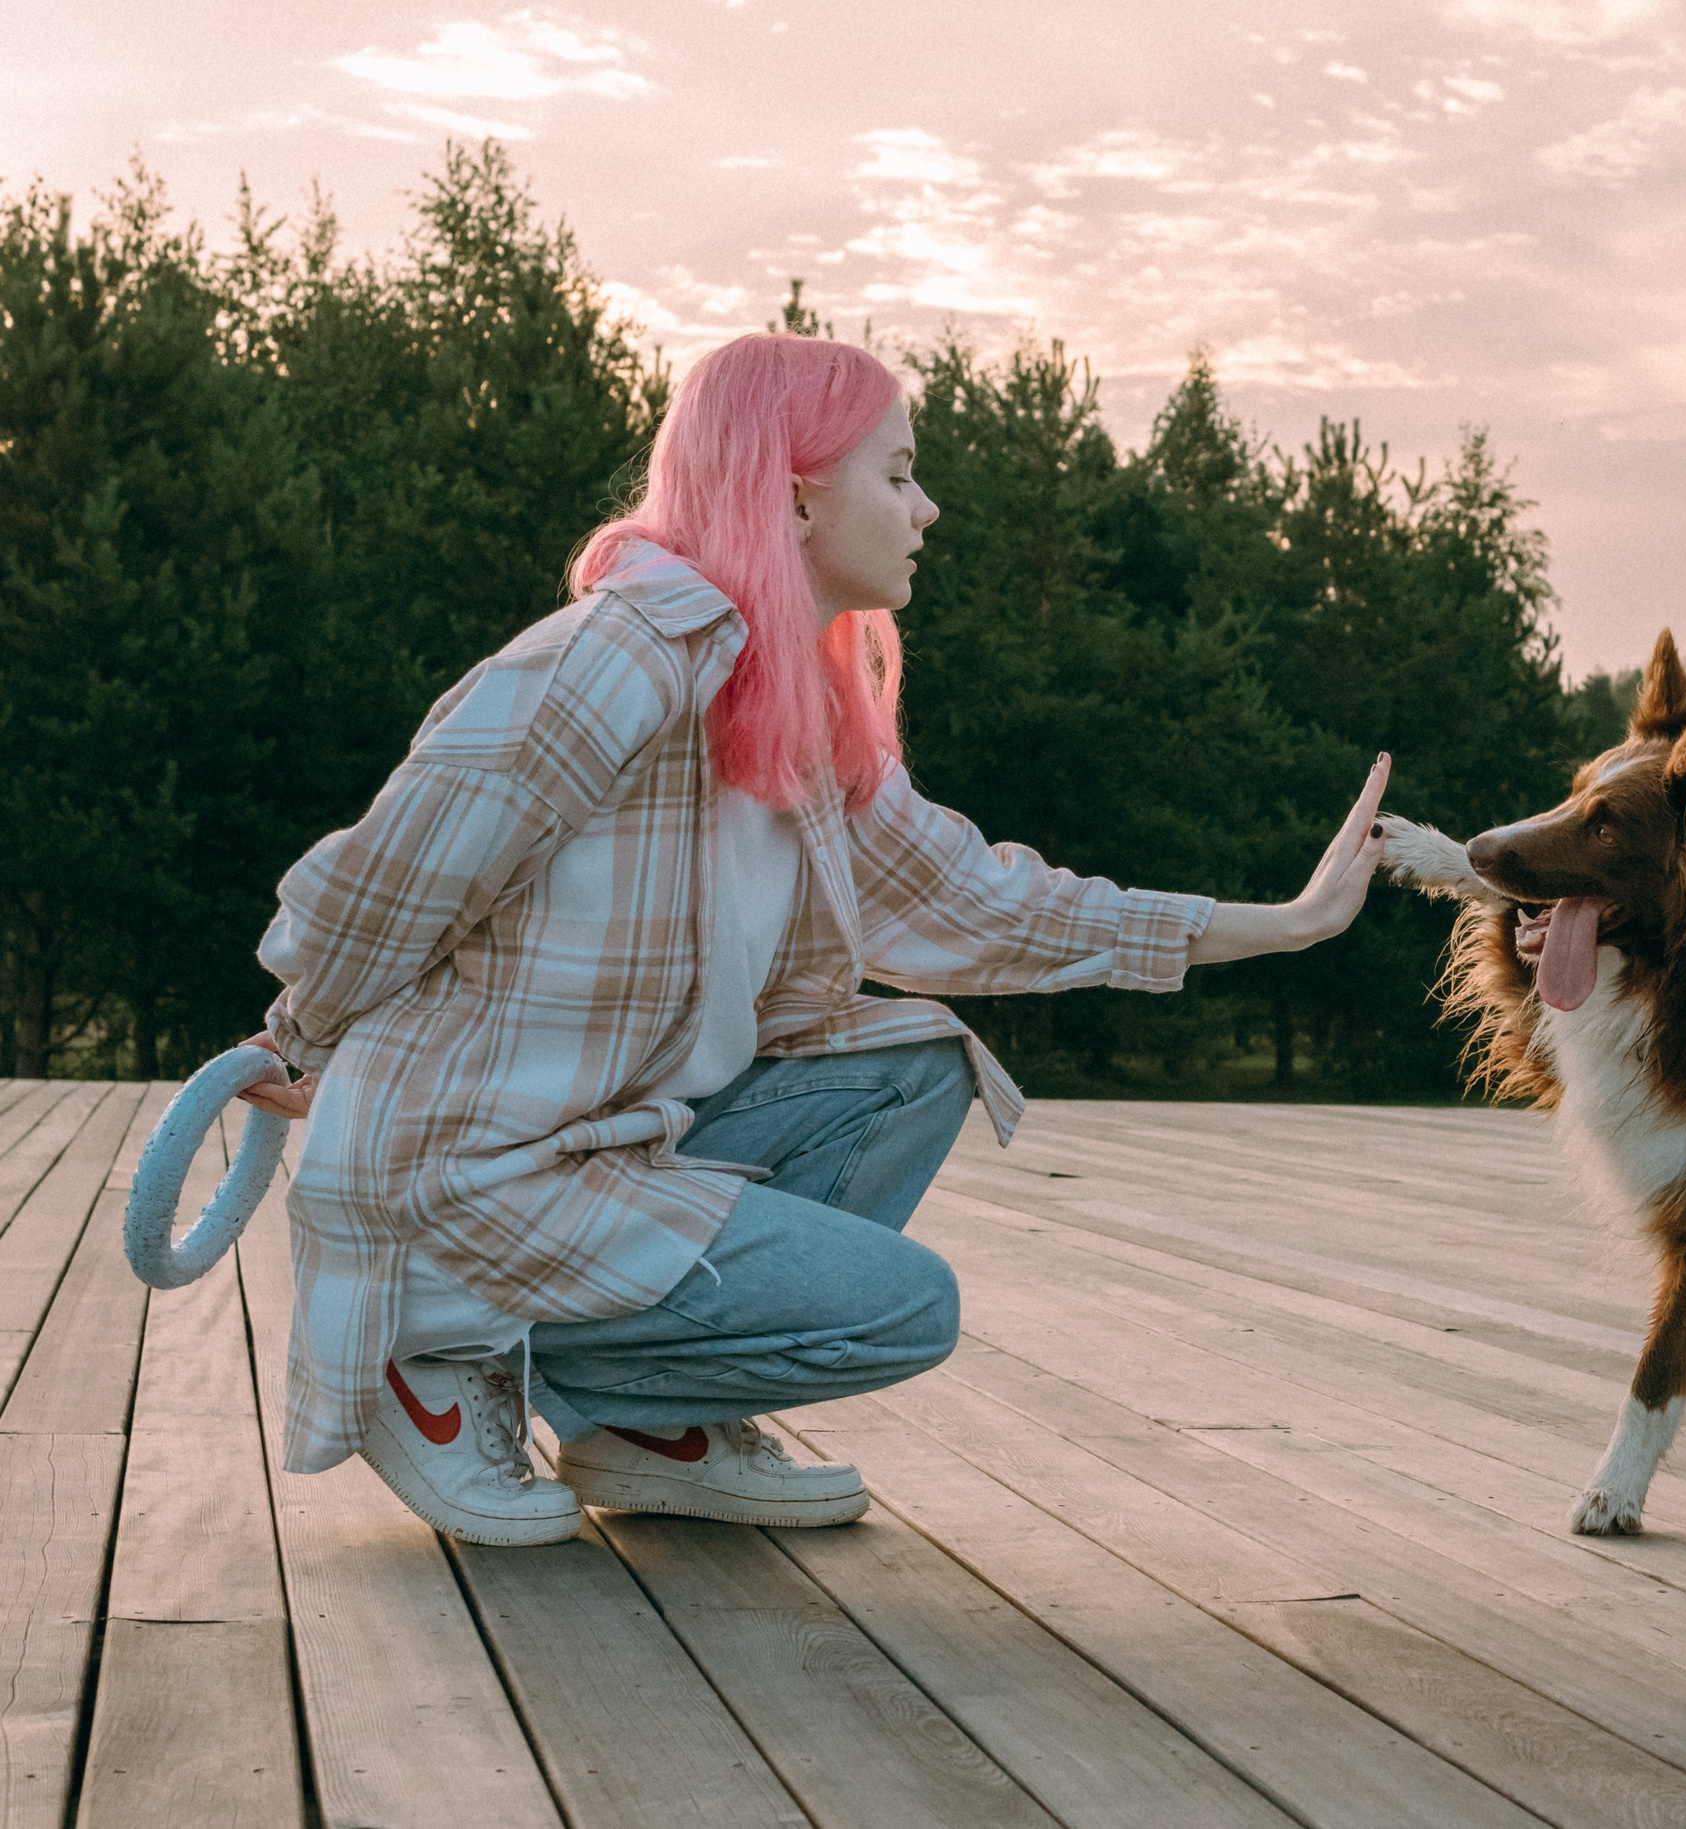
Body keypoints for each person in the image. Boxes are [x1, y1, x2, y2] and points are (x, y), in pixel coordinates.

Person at [241, 333, 1390, 1546]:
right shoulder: (620, 658)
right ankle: (432, 1349)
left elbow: (984, 901)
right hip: (467, 1176)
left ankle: (645, 1423)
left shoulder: (796, 710)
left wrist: (1283, 922)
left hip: (607, 1149)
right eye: (897, 474)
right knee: (899, 1307)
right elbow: (397, 868)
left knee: (913, 1065)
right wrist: (305, 1031)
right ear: (795, 494)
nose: (927, 507)